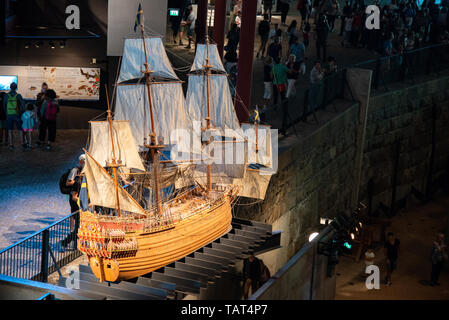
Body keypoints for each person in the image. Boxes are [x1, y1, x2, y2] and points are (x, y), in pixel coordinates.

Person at [61, 154, 86, 248]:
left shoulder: (82, 173)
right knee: (78, 225)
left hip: (79, 199)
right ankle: (67, 242)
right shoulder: (75, 172)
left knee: (79, 226)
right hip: (76, 201)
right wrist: (82, 204)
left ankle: (72, 244)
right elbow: (69, 183)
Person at [3, 82, 25, 151]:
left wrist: (6, 113)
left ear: (10, 87)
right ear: (16, 88)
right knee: (20, 129)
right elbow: (23, 106)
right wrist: (21, 113)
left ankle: (11, 145)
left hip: (9, 115)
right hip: (17, 115)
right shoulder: (18, 95)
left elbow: (4, 105)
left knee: (10, 129)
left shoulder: (6, 96)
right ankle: (22, 144)